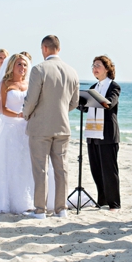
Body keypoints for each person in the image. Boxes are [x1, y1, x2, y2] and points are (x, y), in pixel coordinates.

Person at [0, 53, 56, 213]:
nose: (22, 68)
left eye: (24, 65)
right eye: (19, 65)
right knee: (10, 164)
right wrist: (19, 115)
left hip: (28, 128)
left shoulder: (30, 84)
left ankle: (32, 198)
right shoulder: (5, 83)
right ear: (12, 67)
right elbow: (2, 109)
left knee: (27, 164)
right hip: (9, 128)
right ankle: (8, 199)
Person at [23, 35, 80, 220]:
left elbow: (31, 100)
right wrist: (61, 111)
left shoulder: (39, 69)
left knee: (40, 169)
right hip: (62, 126)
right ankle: (61, 209)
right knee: (61, 169)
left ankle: (40, 210)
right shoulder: (72, 72)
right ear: (59, 49)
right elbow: (74, 103)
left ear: (44, 48)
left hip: (40, 126)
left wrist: (26, 114)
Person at [86, 56, 121, 211]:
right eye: (93, 65)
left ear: (107, 68)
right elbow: (86, 106)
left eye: (98, 65)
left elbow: (109, 103)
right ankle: (102, 200)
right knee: (96, 168)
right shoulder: (93, 86)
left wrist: (91, 99)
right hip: (93, 133)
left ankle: (114, 203)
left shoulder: (114, 86)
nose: (95, 68)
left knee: (109, 169)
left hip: (107, 134)